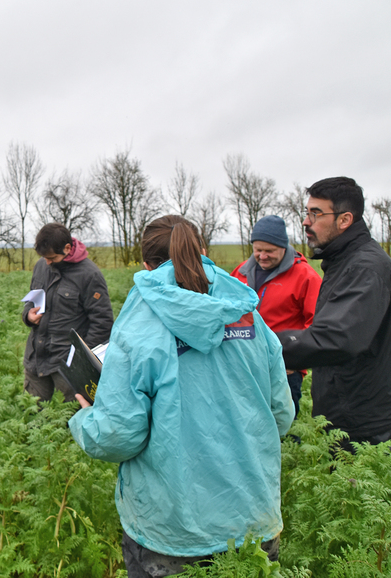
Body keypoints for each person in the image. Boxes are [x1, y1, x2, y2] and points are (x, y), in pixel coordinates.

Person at [69, 215, 293, 577]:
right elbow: (281, 415)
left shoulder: (137, 327)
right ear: (201, 251)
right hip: (253, 522)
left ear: (146, 266)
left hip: (173, 532)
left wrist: (85, 418)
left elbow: (117, 436)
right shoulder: (247, 314)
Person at [278, 177, 391, 452]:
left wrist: (266, 345)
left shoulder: (365, 267)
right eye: (307, 212)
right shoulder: (345, 261)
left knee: (361, 479)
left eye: (316, 213)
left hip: (366, 414)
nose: (306, 221)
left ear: (344, 220)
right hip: (353, 402)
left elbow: (337, 338)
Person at [231, 215, 322, 417]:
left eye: (269, 251)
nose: (262, 256)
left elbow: (318, 326)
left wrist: (295, 361)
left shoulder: (305, 277)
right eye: (258, 250)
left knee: (281, 428)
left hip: (283, 371)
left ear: (283, 247)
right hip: (243, 368)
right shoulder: (240, 273)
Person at [22, 223, 113, 402]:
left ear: (67, 248)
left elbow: (103, 323)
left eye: (52, 257)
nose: (47, 262)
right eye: (43, 257)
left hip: (67, 365)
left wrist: (80, 358)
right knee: (32, 413)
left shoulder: (90, 275)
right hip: (36, 358)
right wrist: (28, 315)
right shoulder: (41, 266)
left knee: (70, 416)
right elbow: (31, 299)